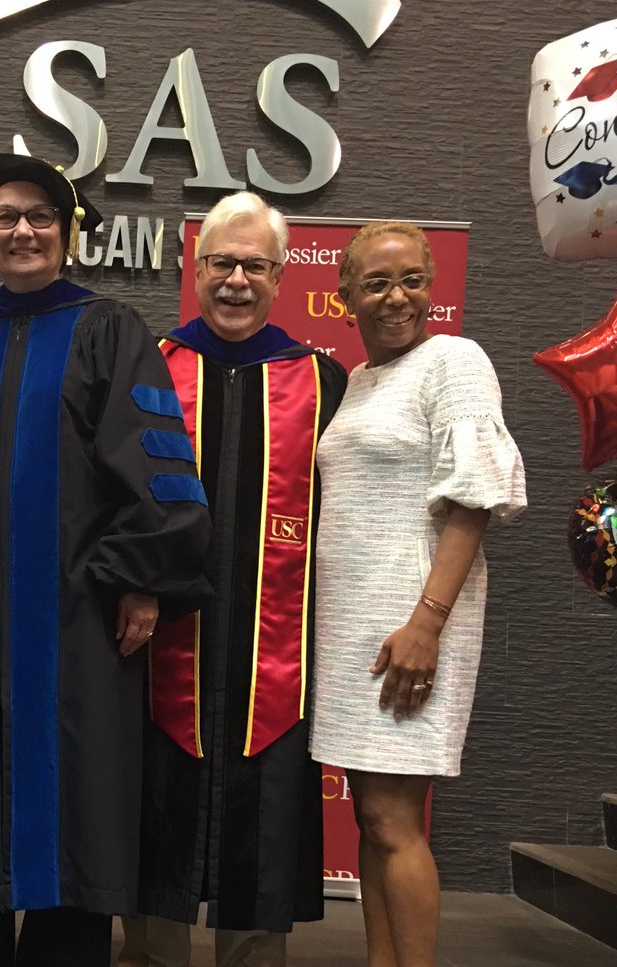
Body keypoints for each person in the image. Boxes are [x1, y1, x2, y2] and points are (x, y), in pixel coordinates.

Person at [0, 154, 213, 967]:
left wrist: (143, 574)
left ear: (68, 232)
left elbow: (158, 463)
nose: (22, 230)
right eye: (5, 216)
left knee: (72, 823)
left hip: (75, 620)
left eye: (41, 216)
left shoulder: (108, 327)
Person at [122, 191, 347, 967]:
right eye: (223, 262)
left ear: (282, 276)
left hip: (274, 651)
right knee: (157, 823)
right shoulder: (150, 365)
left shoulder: (321, 381)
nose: (237, 280)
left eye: (256, 265)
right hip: (160, 650)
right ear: (195, 266)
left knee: (266, 826)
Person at [310, 221, 526, 967]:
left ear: (432, 288)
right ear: (345, 297)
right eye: (376, 283)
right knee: (375, 817)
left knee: (397, 819)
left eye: (411, 281)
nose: (397, 297)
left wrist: (426, 623)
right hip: (354, 633)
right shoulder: (361, 379)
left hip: (414, 625)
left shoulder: (454, 360)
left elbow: (474, 499)